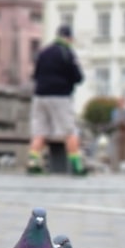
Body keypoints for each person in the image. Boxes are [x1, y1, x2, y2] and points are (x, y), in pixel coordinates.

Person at [28, 25, 84, 175]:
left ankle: (33, 163)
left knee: (39, 131)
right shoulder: (67, 52)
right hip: (60, 96)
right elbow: (78, 77)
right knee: (70, 131)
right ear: (69, 37)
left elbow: (34, 74)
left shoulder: (43, 52)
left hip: (39, 96)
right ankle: (77, 165)